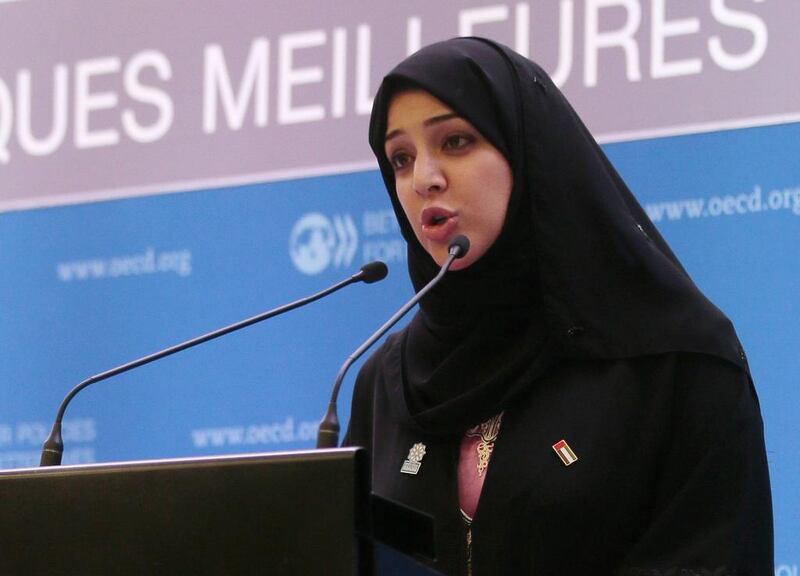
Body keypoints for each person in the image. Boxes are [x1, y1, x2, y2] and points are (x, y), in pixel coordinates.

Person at [344, 37, 773, 575]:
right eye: (401, 158)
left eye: (455, 141)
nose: (423, 179)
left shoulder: (678, 363)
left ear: (528, 153)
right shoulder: (385, 381)